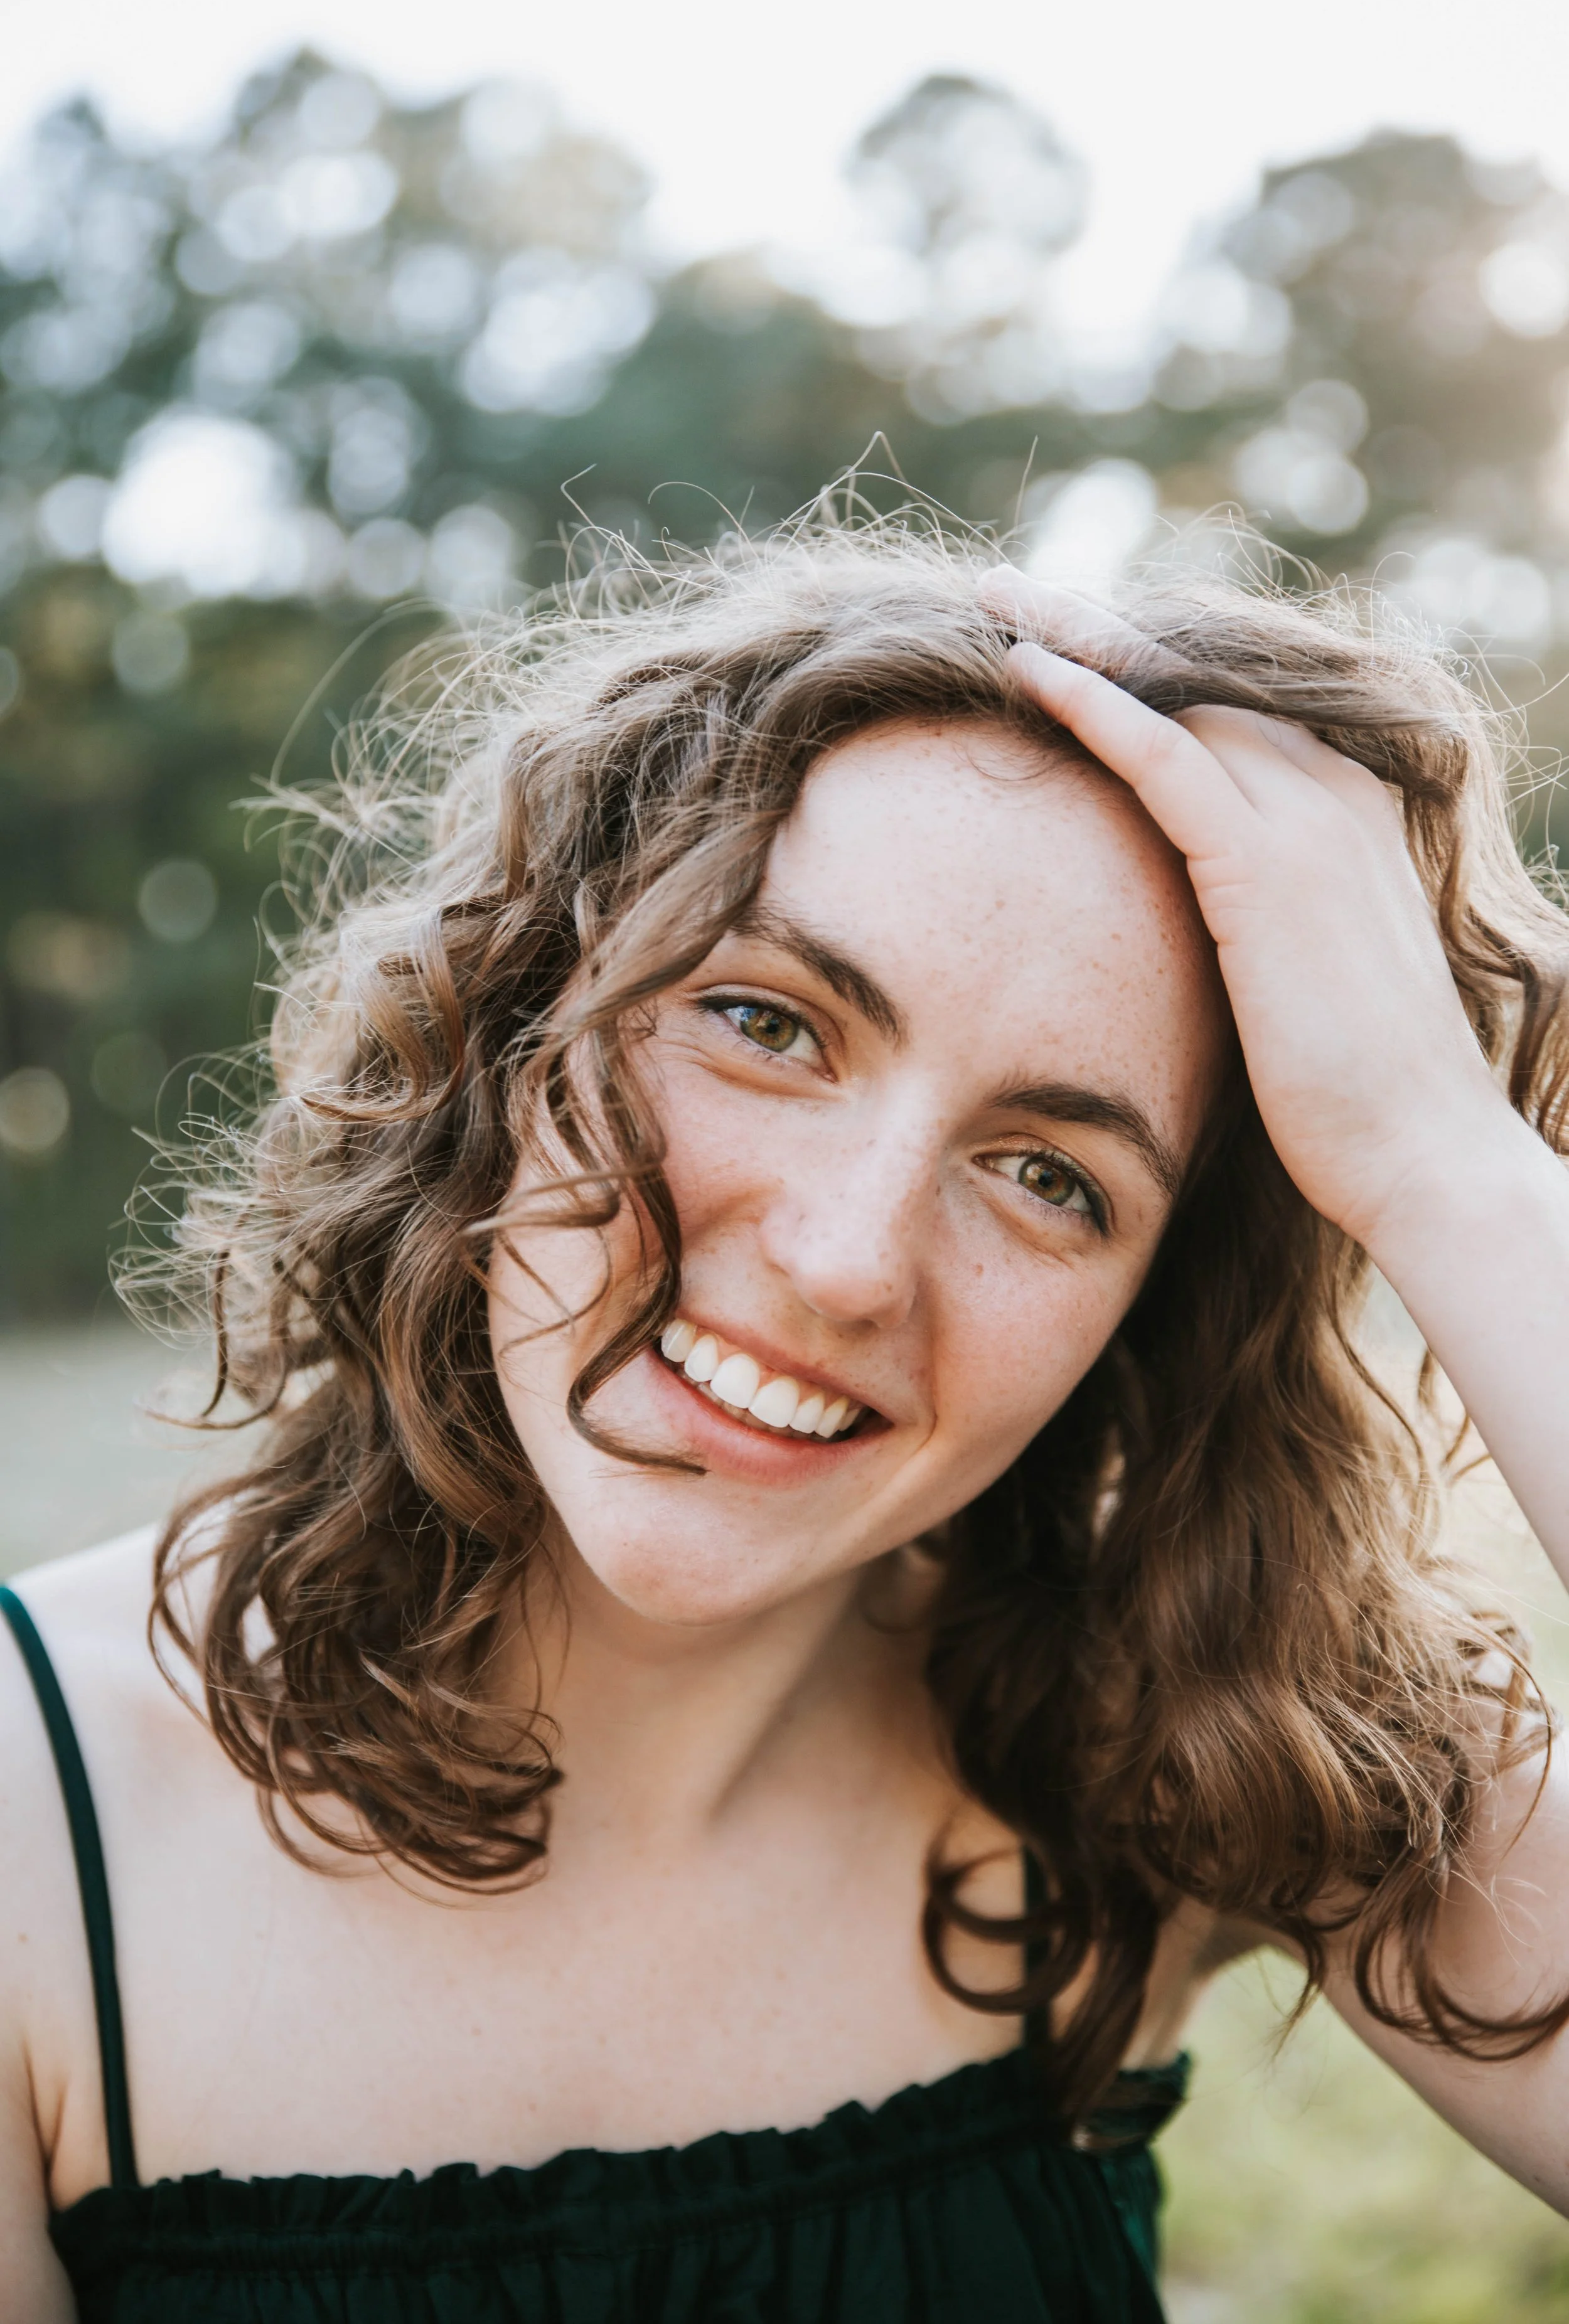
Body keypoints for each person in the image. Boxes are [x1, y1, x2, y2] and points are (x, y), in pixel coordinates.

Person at [4, 526, 1569, 2324]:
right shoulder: (27, 1842)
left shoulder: (1147, 1745)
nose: (844, 1262)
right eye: (763, 1020)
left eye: (1049, 1175)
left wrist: (1450, 1170)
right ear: (513, 1011)